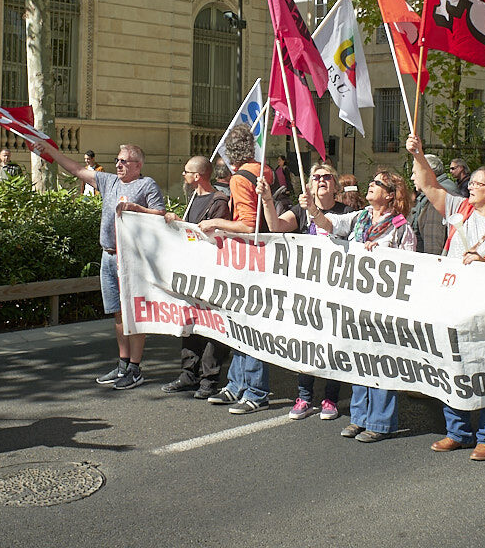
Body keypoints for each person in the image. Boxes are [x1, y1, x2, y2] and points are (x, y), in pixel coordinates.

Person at [408, 135, 485, 461]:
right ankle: (457, 431)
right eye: (470, 182)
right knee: (453, 367)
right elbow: (430, 187)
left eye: (477, 183)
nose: (470, 187)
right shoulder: (461, 209)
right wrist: (417, 154)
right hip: (455, 301)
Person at [40, 141, 164, 389]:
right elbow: (76, 169)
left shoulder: (146, 184)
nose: (118, 164)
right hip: (108, 256)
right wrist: (48, 150)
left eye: (124, 161)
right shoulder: (109, 182)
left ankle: (136, 369)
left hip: (132, 259)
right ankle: (123, 364)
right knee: (118, 313)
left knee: (134, 313)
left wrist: (136, 208)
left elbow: (161, 214)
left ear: (137, 165)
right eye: (117, 160)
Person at [309, 168, 416, 442]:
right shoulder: (360, 218)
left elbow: (410, 265)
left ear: (390, 195)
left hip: (384, 305)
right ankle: (359, 417)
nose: (370, 186)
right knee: (359, 358)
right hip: (357, 301)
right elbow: (331, 225)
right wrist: (313, 209)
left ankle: (380, 422)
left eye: (377, 184)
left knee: (381, 360)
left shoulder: (401, 227)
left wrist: (383, 255)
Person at [256, 163, 347, 421]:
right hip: (307, 290)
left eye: (326, 176)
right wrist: (266, 200)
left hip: (335, 290)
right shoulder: (300, 212)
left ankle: (330, 397)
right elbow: (275, 226)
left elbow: (333, 228)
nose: (321, 180)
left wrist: (314, 211)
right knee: (307, 343)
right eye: (315, 177)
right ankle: (304, 397)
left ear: (335, 184)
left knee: (332, 344)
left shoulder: (346, 212)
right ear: (309, 185)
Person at [201, 125, 275, 414]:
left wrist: (215, 223)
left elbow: (247, 224)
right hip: (264, 257)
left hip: (249, 259)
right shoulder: (264, 170)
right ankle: (237, 385)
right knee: (241, 325)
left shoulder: (239, 179)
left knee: (247, 326)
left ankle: (254, 391)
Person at [148, 156, 232, 398]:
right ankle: (188, 376)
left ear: (197, 176)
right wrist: (180, 223)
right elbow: (192, 231)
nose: (183, 175)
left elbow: (215, 235)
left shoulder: (219, 202)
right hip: (191, 274)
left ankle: (209, 380)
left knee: (212, 327)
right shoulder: (194, 197)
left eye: (186, 172)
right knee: (190, 326)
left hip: (211, 274)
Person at [412, 153, 460, 255]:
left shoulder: (438, 197)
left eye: (415, 173)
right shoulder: (440, 191)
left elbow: (433, 245)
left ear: (427, 172)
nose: (412, 178)